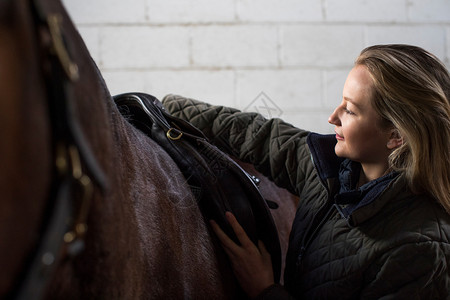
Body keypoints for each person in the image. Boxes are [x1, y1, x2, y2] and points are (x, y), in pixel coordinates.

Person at [162, 44, 450, 299]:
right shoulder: (330, 168)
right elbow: (256, 133)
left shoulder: (422, 251)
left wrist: (265, 290)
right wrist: (158, 106)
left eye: (350, 110)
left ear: (395, 136)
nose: (332, 116)